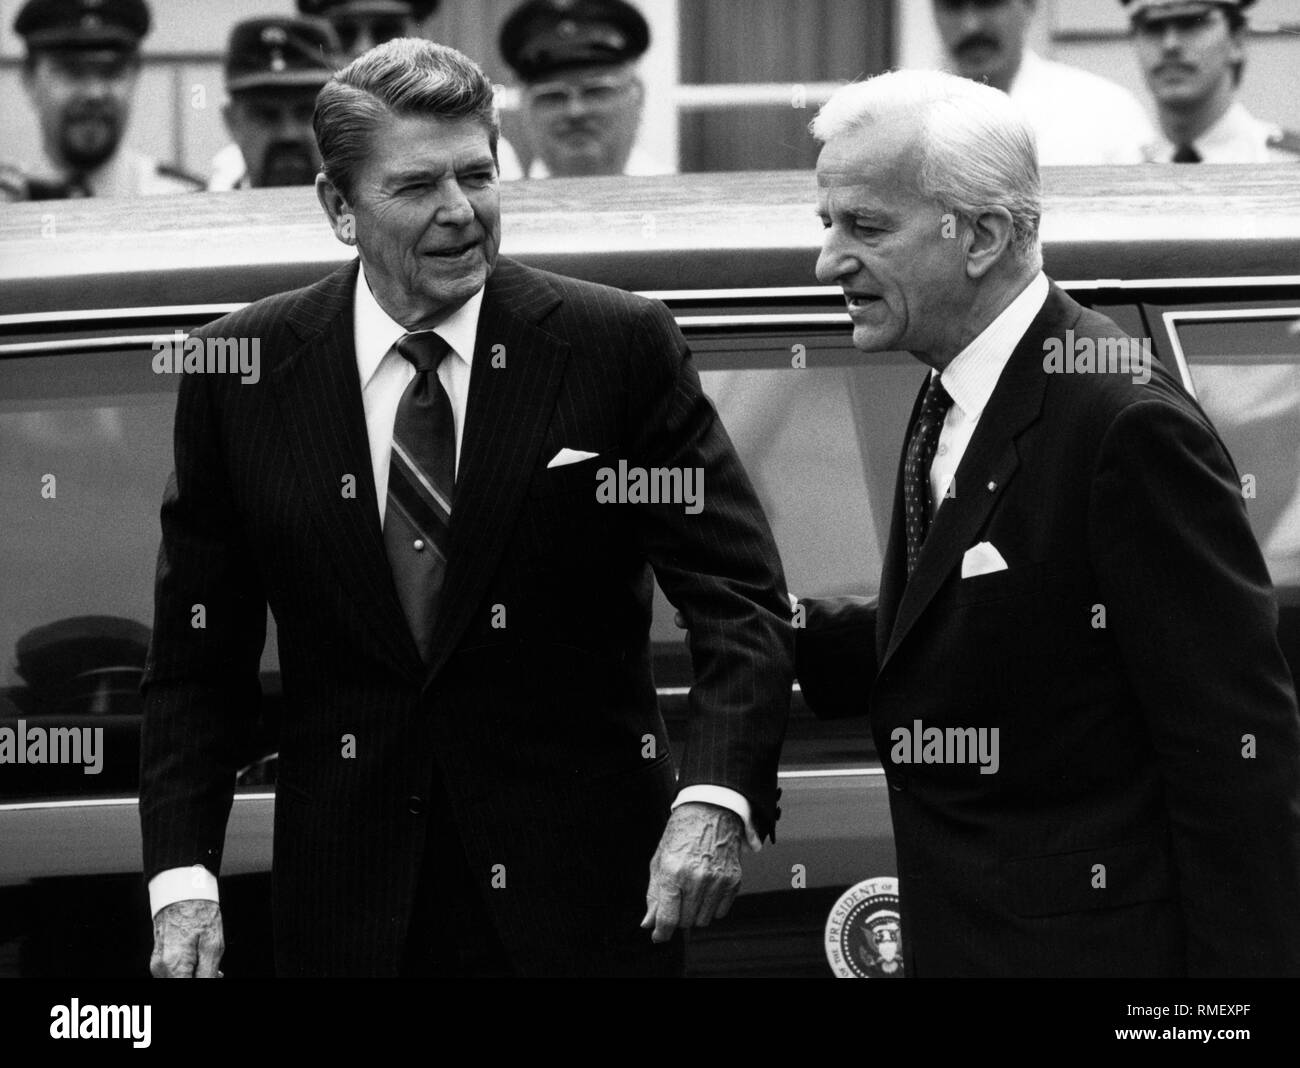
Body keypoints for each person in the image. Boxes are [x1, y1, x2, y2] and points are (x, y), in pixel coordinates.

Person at [141, 38, 793, 978]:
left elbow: (737, 594)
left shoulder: (615, 347)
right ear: (338, 206)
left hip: (589, 911)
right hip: (350, 918)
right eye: (415, 188)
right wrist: (182, 879)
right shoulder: (242, 374)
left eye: (477, 176)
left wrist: (715, 797)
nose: (459, 213)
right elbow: (197, 662)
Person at [796, 68, 1300, 976]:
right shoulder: (955, 381)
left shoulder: (1123, 425)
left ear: (982, 235)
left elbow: (1233, 758)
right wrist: (762, 622)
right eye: (827, 224)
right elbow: (983, 637)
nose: (829, 260)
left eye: (865, 227)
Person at [2, 0, 203, 201]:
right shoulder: (7, 208)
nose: (94, 93)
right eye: (73, 71)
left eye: (111, 72)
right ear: (29, 79)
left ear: (135, 75)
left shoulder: (182, 202)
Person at [930, 0, 1154, 165]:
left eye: (989, 4)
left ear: (1029, 6)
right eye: (952, 6)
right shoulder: (909, 121)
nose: (971, 26)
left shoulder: (1109, 114)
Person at [500, 0, 669, 177]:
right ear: (524, 105)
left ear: (638, 96)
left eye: (596, 92)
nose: (575, 111)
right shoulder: (504, 203)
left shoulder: (682, 201)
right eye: (552, 96)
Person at [1123, 0, 1300, 162]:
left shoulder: (1288, 163)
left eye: (1192, 23)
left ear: (1237, 41)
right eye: (1152, 27)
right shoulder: (1120, 165)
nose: (1170, 44)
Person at [208, 17, 343, 191]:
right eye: (266, 115)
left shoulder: (370, 215)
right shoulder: (203, 215)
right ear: (232, 122)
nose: (288, 134)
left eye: (307, 113)